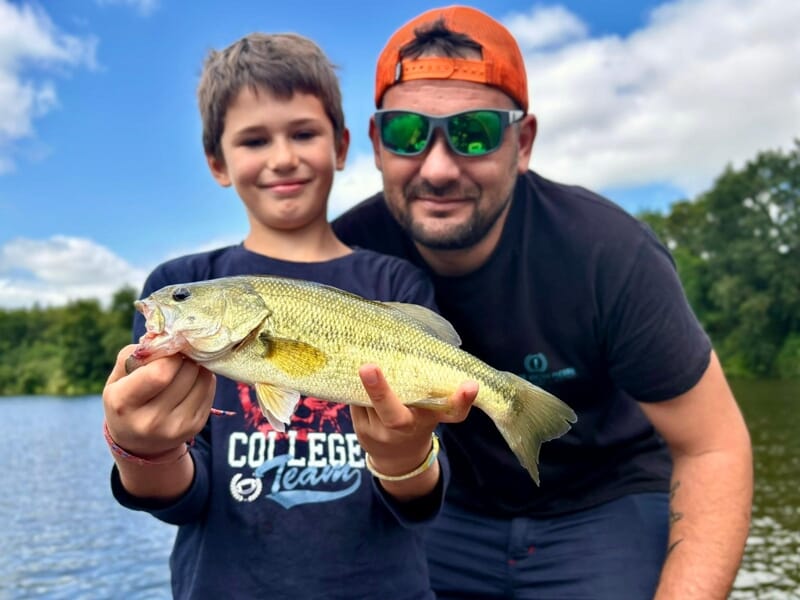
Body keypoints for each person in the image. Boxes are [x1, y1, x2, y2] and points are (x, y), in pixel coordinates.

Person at [332, 5, 754, 600]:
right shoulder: (343, 260)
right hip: (443, 505)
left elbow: (712, 447)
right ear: (377, 144)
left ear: (522, 142)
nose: (439, 167)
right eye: (407, 133)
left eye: (474, 132)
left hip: (604, 500)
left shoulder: (609, 252)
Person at [102, 32, 475, 600]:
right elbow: (183, 495)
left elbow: (420, 502)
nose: (282, 158)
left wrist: (402, 457)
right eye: (254, 140)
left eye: (303, 133)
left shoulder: (395, 283)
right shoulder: (172, 286)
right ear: (217, 162)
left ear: (342, 145)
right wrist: (144, 450)